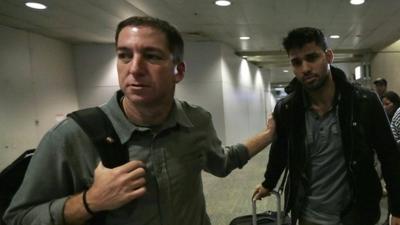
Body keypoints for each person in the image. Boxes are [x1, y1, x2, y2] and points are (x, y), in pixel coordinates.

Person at [3, 16, 276, 225]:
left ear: (178, 71)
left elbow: (222, 163)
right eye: (124, 55)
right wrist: (89, 201)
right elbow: (18, 216)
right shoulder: (73, 136)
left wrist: (268, 134)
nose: (134, 68)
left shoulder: (197, 121)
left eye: (152, 56)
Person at [252, 27, 400, 225]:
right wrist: (269, 182)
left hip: (356, 214)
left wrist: (397, 210)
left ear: (329, 56)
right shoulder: (287, 108)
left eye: (312, 57)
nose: (305, 68)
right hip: (308, 215)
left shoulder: (365, 102)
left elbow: (389, 156)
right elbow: (280, 149)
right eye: (297, 62)